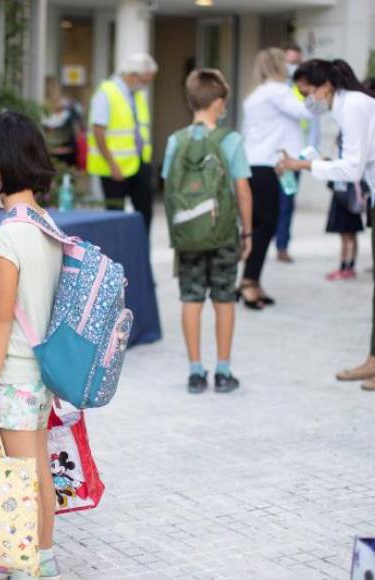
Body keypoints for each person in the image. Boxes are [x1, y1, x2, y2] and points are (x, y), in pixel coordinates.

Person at [280, 59, 375, 391]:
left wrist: (304, 165)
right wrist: (315, 163)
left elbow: (352, 169)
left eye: (307, 93)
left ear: (326, 87)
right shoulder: (345, 107)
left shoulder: (354, 106)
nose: (306, 101)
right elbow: (356, 164)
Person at [0, 112, 63, 580]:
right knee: (37, 467)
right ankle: (39, 555)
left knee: (20, 476)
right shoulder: (46, 223)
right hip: (42, 373)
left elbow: (0, 319)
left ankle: (30, 563)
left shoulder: (6, 236)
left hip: (16, 374)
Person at [161, 69, 253, 394]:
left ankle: (195, 372)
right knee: (224, 299)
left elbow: (169, 187)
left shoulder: (176, 141)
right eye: (224, 101)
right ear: (217, 104)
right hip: (224, 233)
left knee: (191, 298)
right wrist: (247, 234)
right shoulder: (231, 140)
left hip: (188, 235)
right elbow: (243, 191)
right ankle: (223, 372)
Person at [240, 48, 312, 309]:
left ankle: (252, 281)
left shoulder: (256, 94)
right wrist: (312, 91)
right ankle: (249, 283)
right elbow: (307, 112)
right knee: (265, 226)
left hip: (252, 164)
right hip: (269, 165)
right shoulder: (279, 92)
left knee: (258, 225)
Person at [87, 53, 157, 234]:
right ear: (133, 76)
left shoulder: (137, 95)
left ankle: (141, 250)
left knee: (145, 214)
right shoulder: (106, 92)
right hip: (114, 168)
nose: (146, 85)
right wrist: (112, 164)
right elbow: (98, 130)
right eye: (145, 81)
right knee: (115, 218)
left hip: (139, 163)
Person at [274, 41, 318, 264]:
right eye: (288, 62)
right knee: (267, 203)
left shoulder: (305, 93)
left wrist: (308, 155)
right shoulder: (274, 89)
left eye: (296, 62)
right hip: (271, 157)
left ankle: (282, 245)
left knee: (286, 202)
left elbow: (314, 125)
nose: (292, 67)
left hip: (293, 158)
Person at [324, 133, 367, 281]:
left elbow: (332, 185)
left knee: (346, 236)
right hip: (349, 202)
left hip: (346, 203)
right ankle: (349, 266)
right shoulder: (349, 162)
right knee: (350, 236)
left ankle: (345, 267)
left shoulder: (346, 163)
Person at [42, 76, 84, 167]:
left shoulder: (70, 110)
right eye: (49, 92)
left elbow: (78, 134)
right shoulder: (40, 112)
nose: (52, 95)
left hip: (67, 158)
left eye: (54, 90)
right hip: (48, 157)